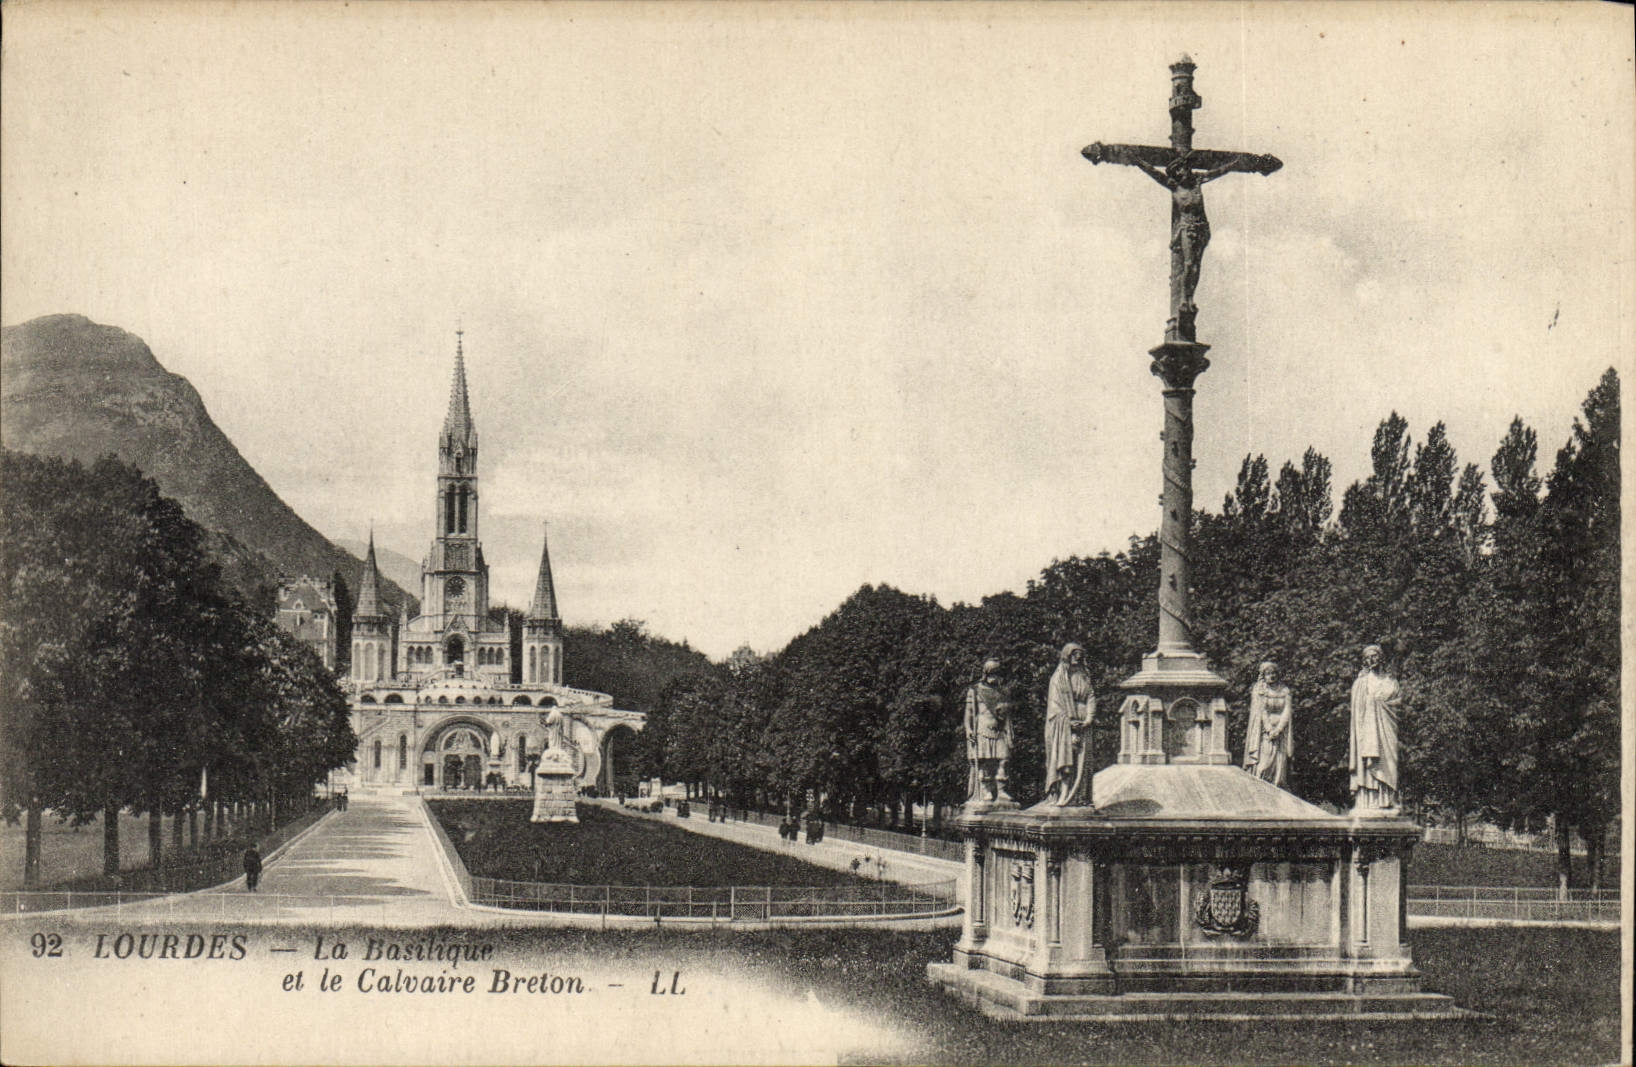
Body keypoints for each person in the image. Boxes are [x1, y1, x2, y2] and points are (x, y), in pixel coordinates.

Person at [1349, 645, 1401, 812]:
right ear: (1365, 661)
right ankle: (1367, 801)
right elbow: (1357, 714)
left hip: (1387, 728)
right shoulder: (1361, 683)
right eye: (1368, 657)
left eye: (1375, 656)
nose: (1372, 659)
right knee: (1368, 764)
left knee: (1389, 763)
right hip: (1367, 732)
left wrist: (1381, 704)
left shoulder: (1391, 682)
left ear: (1381, 658)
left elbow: (1398, 704)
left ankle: (1387, 799)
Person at [1044, 643, 1097, 805]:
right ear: (1067, 656)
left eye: (1080, 656)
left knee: (1083, 760)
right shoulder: (1059, 677)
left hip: (1084, 722)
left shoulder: (1084, 675)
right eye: (1074, 655)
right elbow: (1055, 703)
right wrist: (1068, 721)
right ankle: (1063, 792)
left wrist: (1089, 718)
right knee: (1066, 757)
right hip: (1064, 722)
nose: (1077, 659)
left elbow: (1091, 696)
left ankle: (1080, 796)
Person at [964, 660, 1014, 804]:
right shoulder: (975, 691)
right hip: (982, 729)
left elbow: (1007, 715)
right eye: (992, 673)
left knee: (1003, 759)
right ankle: (986, 791)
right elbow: (969, 714)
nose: (995, 677)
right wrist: (968, 729)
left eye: (997, 673)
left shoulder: (1003, 692)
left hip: (999, 730)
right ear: (986, 674)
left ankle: (1002, 790)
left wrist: (1009, 731)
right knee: (985, 762)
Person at [1243, 660, 1293, 788]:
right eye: (1268, 673)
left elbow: (1287, 710)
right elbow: (1261, 711)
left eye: (1274, 673)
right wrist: (1270, 729)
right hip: (1266, 733)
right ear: (1263, 675)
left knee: (1278, 768)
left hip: (1280, 733)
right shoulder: (1260, 690)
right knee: (1264, 765)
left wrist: (1279, 729)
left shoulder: (1285, 690)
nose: (1272, 676)